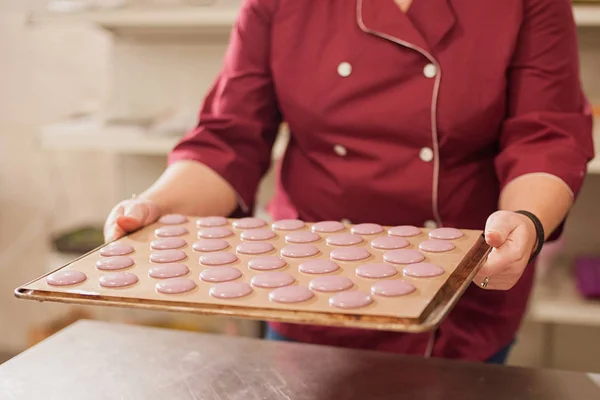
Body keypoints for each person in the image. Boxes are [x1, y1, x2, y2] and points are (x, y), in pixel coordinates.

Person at [104, 0, 594, 364]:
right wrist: (157, 205)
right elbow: (229, 138)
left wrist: (526, 220)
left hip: (459, 291)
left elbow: (545, 135)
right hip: (305, 287)